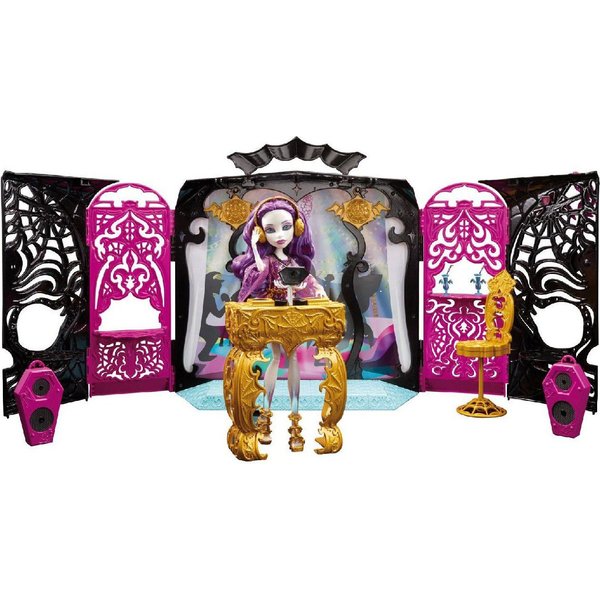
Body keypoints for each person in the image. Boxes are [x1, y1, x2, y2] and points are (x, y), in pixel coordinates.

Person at [231, 196, 327, 449]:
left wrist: (317, 288)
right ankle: (266, 415)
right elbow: (258, 271)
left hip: (292, 314)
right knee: (276, 357)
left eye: (286, 227)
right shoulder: (268, 261)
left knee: (292, 358)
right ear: (262, 233)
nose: (280, 235)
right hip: (274, 315)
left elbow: (306, 281)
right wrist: (254, 247)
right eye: (271, 230)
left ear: (296, 228)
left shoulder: (293, 261)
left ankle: (295, 419)